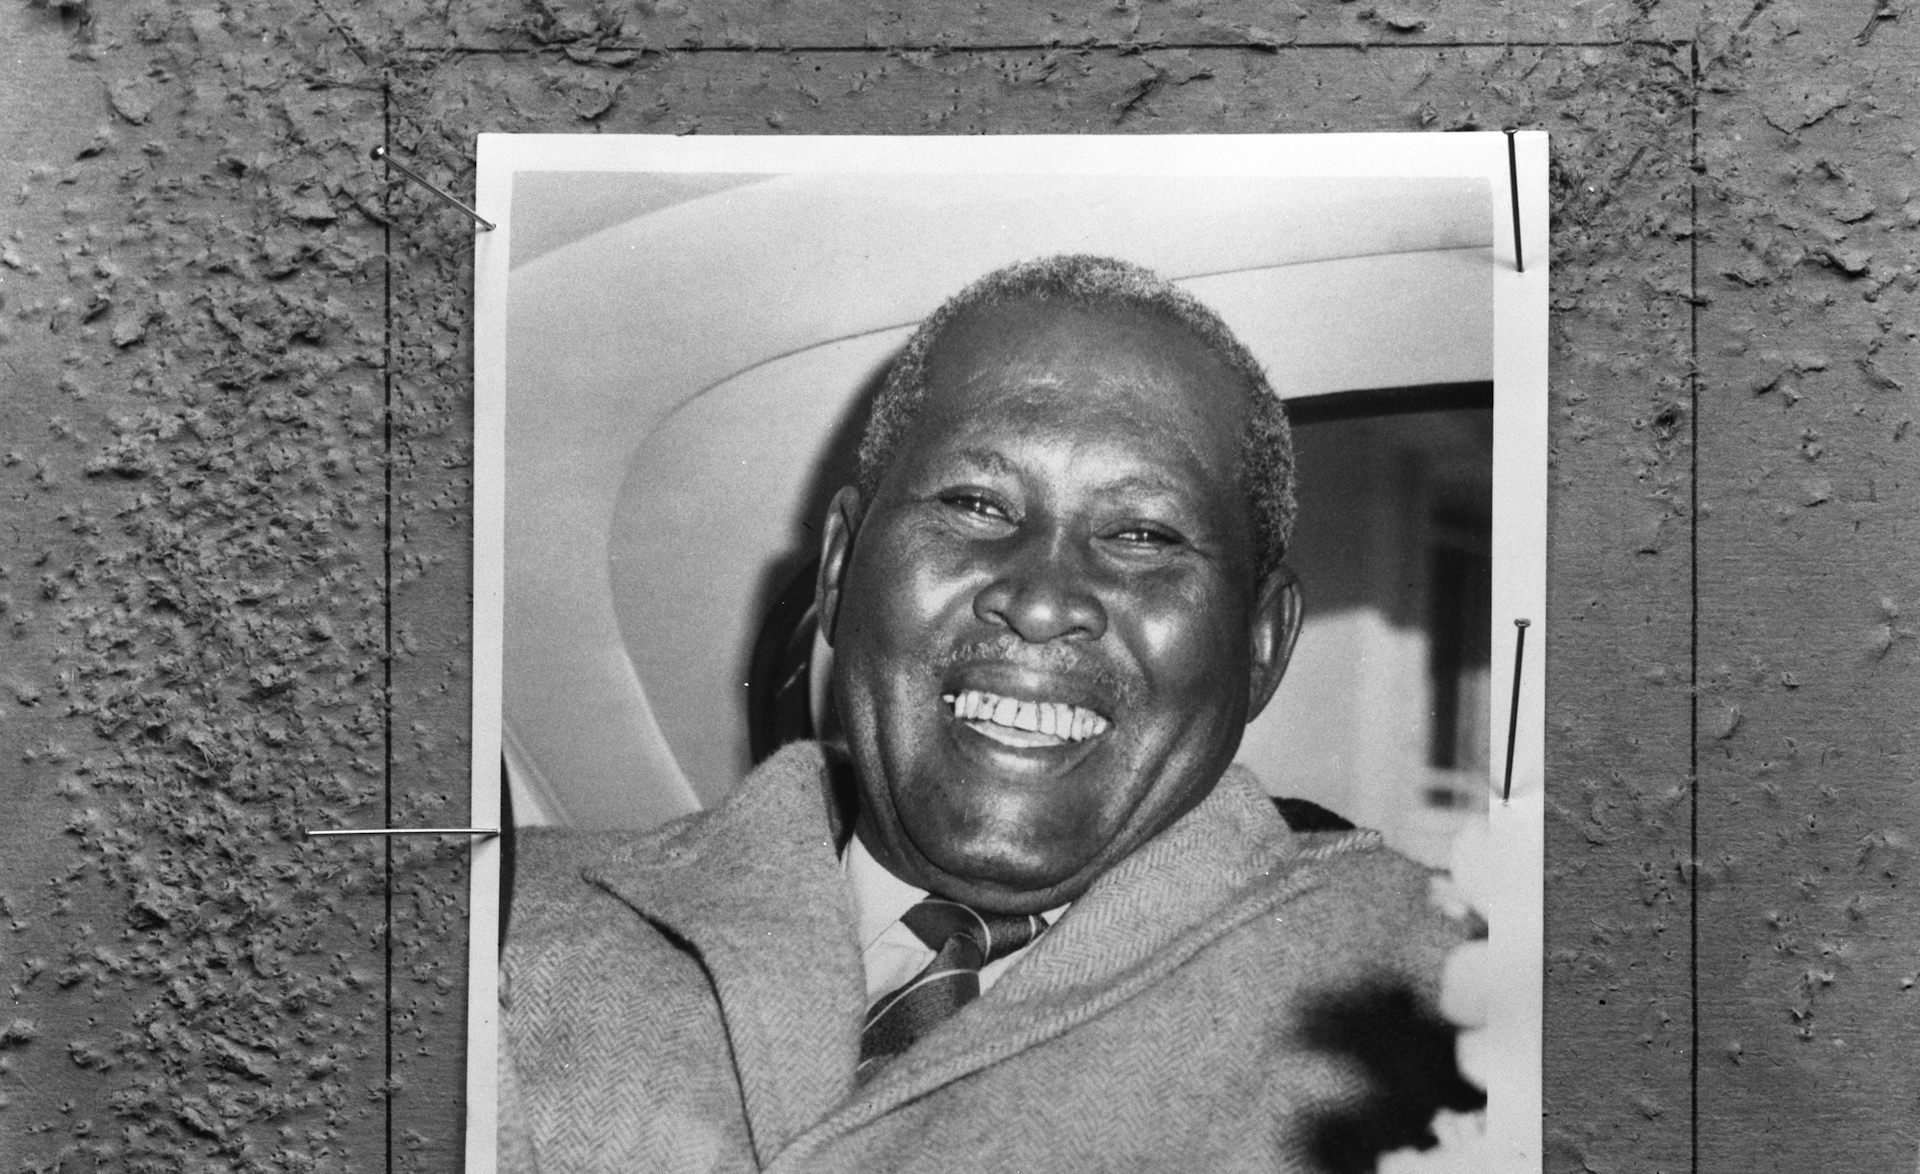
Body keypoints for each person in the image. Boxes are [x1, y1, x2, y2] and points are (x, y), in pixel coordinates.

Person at [499, 254, 1483, 1173]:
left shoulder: (1444, 1018)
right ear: (840, 569)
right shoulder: (501, 930)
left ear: (1261, 645)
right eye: (975, 504)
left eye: (1143, 533)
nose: (1043, 596)